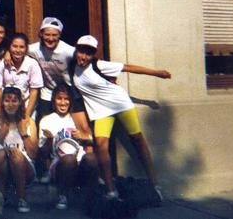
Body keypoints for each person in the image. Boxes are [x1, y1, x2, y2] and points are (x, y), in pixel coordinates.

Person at [69, 35, 171, 199]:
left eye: (88, 53)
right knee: (101, 145)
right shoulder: (72, 65)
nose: (83, 57)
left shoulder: (99, 65)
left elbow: (128, 67)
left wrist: (157, 73)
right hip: (101, 110)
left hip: (121, 104)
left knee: (138, 140)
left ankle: (155, 185)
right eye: (81, 52)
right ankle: (111, 190)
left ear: (93, 55)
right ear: (76, 50)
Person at [38, 85, 98, 210]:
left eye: (67, 99)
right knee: (69, 159)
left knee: (91, 158)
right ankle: (62, 195)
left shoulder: (76, 118)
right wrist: (49, 139)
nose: (63, 102)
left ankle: (92, 196)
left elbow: (92, 140)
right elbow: (44, 153)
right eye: (59, 99)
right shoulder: (47, 120)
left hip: (79, 161)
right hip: (59, 165)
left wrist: (83, 136)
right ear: (54, 101)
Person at [0, 87, 37, 214]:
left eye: (14, 101)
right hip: (3, 169)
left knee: (16, 155)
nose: (10, 104)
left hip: (26, 169)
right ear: (2, 103)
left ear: (20, 102)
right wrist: (1, 137)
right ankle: (3, 196)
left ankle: (22, 198)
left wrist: (24, 133)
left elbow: (33, 154)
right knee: (0, 154)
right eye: (7, 101)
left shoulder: (28, 121)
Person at [0, 33, 43, 117]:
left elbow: (34, 91)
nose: (18, 50)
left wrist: (26, 115)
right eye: (15, 46)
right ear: (9, 47)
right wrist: (0, 114)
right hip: (6, 105)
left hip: (26, 104)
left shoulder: (32, 64)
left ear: (26, 48)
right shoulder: (1, 64)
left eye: (21, 47)